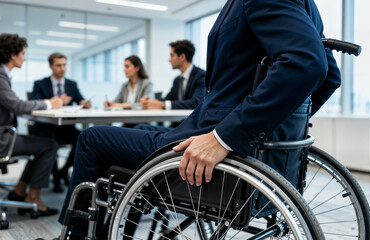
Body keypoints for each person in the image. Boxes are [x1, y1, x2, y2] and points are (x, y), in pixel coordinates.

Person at [58, 0, 341, 238]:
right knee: (140, 129)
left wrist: (226, 137)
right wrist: (271, 127)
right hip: (216, 129)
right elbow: (330, 76)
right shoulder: (307, 6)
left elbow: (307, 64)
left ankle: (77, 235)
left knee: (92, 138)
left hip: (208, 135)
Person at [0, 33, 64, 216]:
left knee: (42, 142)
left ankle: (20, 191)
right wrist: (50, 102)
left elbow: (13, 105)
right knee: (49, 145)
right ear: (13, 55)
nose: (24, 57)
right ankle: (33, 198)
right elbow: (17, 106)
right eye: (23, 53)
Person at [31, 52, 91, 193]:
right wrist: (55, 101)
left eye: (64, 65)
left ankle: (63, 170)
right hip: (46, 126)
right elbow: (35, 102)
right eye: (58, 65)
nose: (62, 68)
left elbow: (80, 100)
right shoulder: (40, 84)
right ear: (51, 66)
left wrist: (85, 103)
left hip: (65, 127)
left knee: (83, 137)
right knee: (50, 141)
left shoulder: (72, 84)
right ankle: (56, 178)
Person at [137, 40, 205, 131]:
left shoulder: (201, 76)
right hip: (177, 126)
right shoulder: (177, 80)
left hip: (191, 129)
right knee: (141, 129)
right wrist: (150, 102)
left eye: (172, 55)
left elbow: (196, 102)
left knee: (141, 128)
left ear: (182, 57)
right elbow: (167, 99)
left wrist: (163, 105)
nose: (169, 60)